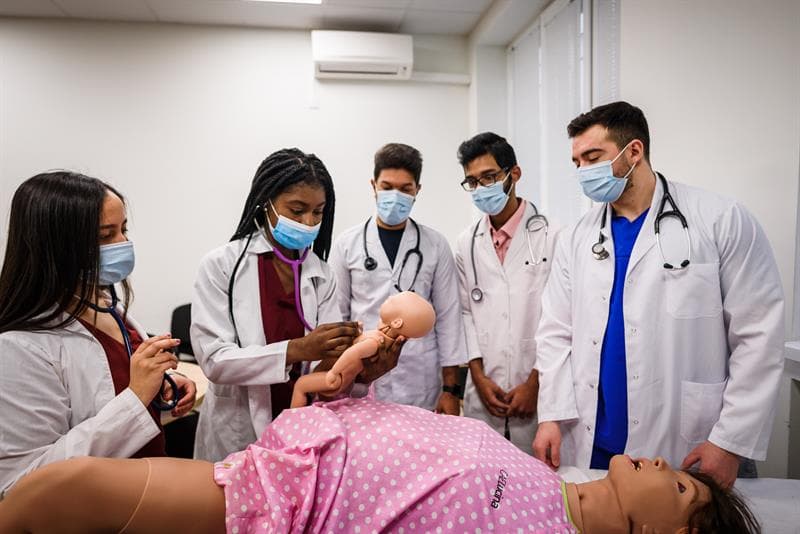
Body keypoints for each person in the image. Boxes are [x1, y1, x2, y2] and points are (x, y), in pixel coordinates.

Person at [0, 398, 761, 533]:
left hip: (287, 504)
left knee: (65, 488)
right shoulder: (555, 486)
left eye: (679, 484)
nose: (662, 459)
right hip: (299, 453)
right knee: (57, 493)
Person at [533, 101, 784, 488]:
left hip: (688, 442)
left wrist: (729, 442)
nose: (583, 171)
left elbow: (759, 335)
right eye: (577, 162)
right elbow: (555, 332)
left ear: (634, 151)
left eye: (592, 158)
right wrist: (552, 415)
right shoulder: (576, 238)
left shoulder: (720, 219)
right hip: (592, 441)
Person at [191, 148, 405, 462]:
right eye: (296, 210)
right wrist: (298, 349)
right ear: (266, 203)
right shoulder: (222, 266)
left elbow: (324, 372)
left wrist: (361, 369)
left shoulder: (321, 274)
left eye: (318, 212)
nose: (308, 222)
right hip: (236, 431)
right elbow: (215, 361)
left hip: (301, 428)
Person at [0, 171, 197, 496]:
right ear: (56, 246)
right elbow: (25, 483)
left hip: (148, 485)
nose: (123, 245)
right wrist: (136, 397)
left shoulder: (105, 305)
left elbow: (113, 381)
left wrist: (162, 384)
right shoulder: (19, 347)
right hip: (101, 507)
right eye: (106, 235)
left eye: (123, 230)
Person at [328, 143, 466, 414]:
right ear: (373, 185)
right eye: (387, 186)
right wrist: (335, 377)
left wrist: (451, 390)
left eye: (405, 189)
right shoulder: (346, 244)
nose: (395, 196)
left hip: (420, 380)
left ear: (417, 190)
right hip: (361, 375)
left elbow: (449, 318)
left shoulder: (436, 245)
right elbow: (336, 317)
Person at [454, 132, 560, 453]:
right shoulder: (466, 243)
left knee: (539, 475)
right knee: (485, 474)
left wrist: (535, 383)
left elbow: (562, 319)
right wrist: (478, 378)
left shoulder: (554, 236)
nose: (481, 188)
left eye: (489, 177)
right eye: (472, 181)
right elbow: (465, 315)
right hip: (485, 392)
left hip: (539, 390)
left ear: (514, 174)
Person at [291, 291, 435, 407]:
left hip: (337, 378)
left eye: (393, 301)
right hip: (346, 381)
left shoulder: (374, 342)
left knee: (301, 385)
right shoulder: (380, 339)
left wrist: (333, 372)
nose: (390, 297)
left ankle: (292, 420)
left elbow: (351, 353)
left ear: (397, 323)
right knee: (323, 403)